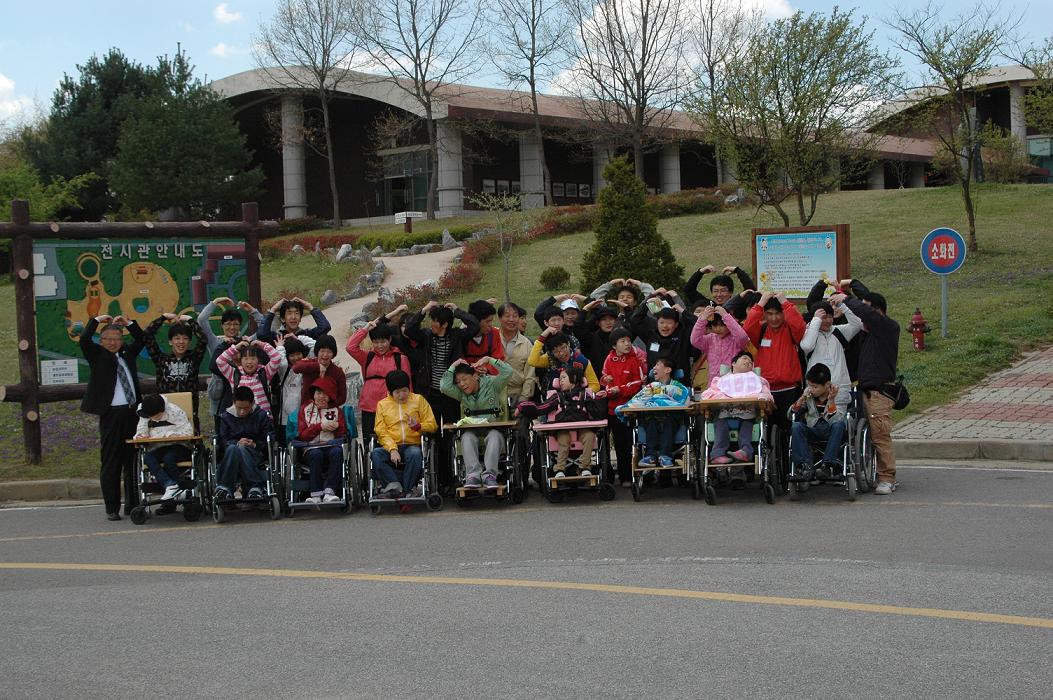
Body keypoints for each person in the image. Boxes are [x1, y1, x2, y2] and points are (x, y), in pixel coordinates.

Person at [403, 301, 480, 488]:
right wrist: (424, 309)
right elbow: (409, 329)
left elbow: (475, 325)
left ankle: (451, 478)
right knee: (433, 435)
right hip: (430, 393)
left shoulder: (457, 336)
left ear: (445, 324)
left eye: (435, 321)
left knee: (452, 434)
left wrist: (457, 310)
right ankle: (436, 479)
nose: (432, 324)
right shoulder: (427, 336)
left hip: (451, 393)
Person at [79, 314, 145, 521]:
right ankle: (112, 507)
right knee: (111, 461)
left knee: (132, 460)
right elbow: (84, 340)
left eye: (117, 338)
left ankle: (133, 504)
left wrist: (130, 324)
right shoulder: (97, 354)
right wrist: (96, 321)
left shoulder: (127, 354)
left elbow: (142, 340)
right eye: (109, 339)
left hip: (132, 412)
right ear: (102, 341)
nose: (114, 342)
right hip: (110, 414)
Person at [840, 290, 901, 495]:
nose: (862, 315)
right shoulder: (866, 335)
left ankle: (887, 478)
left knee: (880, 435)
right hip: (864, 391)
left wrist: (847, 298)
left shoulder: (888, 328)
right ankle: (874, 474)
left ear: (878, 312)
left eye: (866, 310)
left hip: (880, 392)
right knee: (867, 435)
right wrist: (843, 290)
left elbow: (865, 311)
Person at [700, 351, 774, 488]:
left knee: (747, 427)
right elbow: (708, 395)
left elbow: (766, 395)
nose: (748, 362)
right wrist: (722, 398)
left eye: (751, 362)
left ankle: (745, 452)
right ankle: (717, 455)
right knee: (720, 425)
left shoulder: (757, 380)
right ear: (733, 363)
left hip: (746, 416)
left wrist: (762, 398)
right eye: (744, 358)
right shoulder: (720, 381)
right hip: (725, 416)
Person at [440, 357, 513, 488]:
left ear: (475, 376)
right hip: (472, 430)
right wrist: (453, 365)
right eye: (458, 382)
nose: (461, 384)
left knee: (494, 436)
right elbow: (444, 387)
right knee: (466, 437)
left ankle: (490, 475)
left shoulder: (492, 384)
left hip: (493, 429)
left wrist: (489, 360)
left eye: (464, 379)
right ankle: (473, 475)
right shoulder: (461, 393)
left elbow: (508, 372)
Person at [518, 365, 601, 479]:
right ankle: (559, 469)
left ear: (574, 378)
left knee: (590, 435)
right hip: (562, 430)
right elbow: (541, 408)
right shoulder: (557, 396)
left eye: (563, 378)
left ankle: (585, 467)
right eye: (560, 379)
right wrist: (522, 406)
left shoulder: (585, 394)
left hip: (582, 428)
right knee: (564, 439)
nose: (560, 381)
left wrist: (597, 400)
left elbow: (596, 413)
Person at [198, 298, 266, 434]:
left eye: (235, 324)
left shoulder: (246, 342)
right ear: (222, 326)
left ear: (240, 325)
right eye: (228, 324)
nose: (232, 327)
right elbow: (201, 320)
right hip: (220, 395)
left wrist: (252, 311)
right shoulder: (216, 342)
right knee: (222, 433)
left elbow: (265, 328)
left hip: (245, 394)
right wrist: (216, 302)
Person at [743, 291, 806, 431]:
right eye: (769, 313)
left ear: (784, 313)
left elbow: (800, 325)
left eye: (778, 313)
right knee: (766, 431)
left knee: (788, 430)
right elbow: (747, 327)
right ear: (764, 314)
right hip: (765, 391)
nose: (774, 318)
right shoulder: (762, 330)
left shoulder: (791, 330)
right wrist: (760, 304)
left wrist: (785, 303)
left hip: (790, 390)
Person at [371, 370, 438, 498]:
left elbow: (432, 425)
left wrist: (418, 426)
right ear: (390, 392)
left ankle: (407, 490)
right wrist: (392, 449)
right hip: (391, 445)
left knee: (415, 454)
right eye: (397, 392)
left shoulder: (418, 400)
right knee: (375, 454)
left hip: (412, 444)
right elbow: (381, 430)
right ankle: (394, 485)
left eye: (405, 390)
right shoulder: (382, 405)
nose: (402, 395)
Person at [136, 313, 208, 430]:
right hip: (165, 413)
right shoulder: (161, 359)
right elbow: (147, 336)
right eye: (177, 338)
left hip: (189, 411)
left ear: (189, 341)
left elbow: (203, 339)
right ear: (170, 341)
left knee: (192, 444)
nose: (181, 342)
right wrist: (163, 318)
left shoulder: (194, 358)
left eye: (185, 339)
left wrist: (190, 320)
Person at [617, 357, 690, 469]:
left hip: (670, 419)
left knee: (669, 421)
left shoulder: (679, 387)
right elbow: (639, 400)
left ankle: (665, 456)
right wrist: (627, 408)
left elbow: (684, 401)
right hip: (652, 418)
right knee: (650, 420)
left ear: (667, 370)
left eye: (657, 365)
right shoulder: (651, 387)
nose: (653, 368)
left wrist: (661, 397)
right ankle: (650, 456)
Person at [346, 319, 409, 439]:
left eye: (383, 341)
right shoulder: (366, 357)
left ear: (389, 339)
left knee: (393, 441)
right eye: (375, 342)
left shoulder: (400, 359)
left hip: (393, 408)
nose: (379, 346)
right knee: (369, 443)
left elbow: (408, 385)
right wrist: (365, 329)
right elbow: (350, 347)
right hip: (369, 408)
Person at [601, 328, 648, 486]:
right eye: (623, 341)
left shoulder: (634, 360)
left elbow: (638, 383)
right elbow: (605, 379)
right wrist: (609, 388)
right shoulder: (608, 359)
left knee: (634, 442)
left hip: (631, 408)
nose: (627, 344)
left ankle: (640, 475)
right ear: (614, 345)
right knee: (620, 444)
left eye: (628, 341)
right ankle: (625, 477)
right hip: (614, 409)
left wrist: (620, 389)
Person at [788, 363, 846, 483]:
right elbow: (790, 415)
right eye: (810, 386)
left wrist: (831, 400)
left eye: (815, 387)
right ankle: (804, 466)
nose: (811, 389)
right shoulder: (808, 395)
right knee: (796, 426)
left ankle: (827, 466)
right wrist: (802, 398)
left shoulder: (839, 395)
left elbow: (837, 420)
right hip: (813, 429)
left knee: (839, 425)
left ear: (827, 385)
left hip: (831, 430)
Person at [800, 297, 862, 411]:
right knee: (815, 423)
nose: (828, 321)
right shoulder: (810, 333)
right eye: (824, 317)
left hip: (839, 388)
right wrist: (816, 320)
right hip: (815, 390)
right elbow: (807, 346)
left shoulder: (839, 332)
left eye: (830, 316)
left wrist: (842, 306)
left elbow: (857, 324)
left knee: (838, 423)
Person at [133, 393, 194, 507]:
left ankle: (176, 489)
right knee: (148, 458)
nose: (155, 419)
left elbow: (188, 431)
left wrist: (172, 434)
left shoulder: (175, 411)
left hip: (178, 445)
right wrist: (141, 436)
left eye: (157, 416)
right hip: (157, 446)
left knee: (168, 458)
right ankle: (171, 485)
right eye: (152, 417)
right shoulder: (145, 413)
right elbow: (141, 430)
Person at [213, 386, 272, 501]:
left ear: (252, 404)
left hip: (255, 453)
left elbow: (267, 440)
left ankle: (226, 486)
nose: (242, 411)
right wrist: (236, 443)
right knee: (235, 448)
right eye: (239, 408)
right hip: (231, 453)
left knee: (241, 448)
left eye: (246, 408)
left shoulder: (261, 415)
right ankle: (253, 486)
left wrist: (254, 444)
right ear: (234, 403)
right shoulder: (226, 416)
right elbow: (223, 440)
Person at [295, 376, 347, 504]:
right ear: (313, 394)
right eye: (318, 393)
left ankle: (330, 491)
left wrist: (336, 428)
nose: (321, 397)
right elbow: (302, 436)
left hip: (331, 445)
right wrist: (319, 427)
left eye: (325, 394)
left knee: (337, 452)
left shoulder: (336, 411)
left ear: (331, 396)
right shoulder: (305, 410)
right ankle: (315, 494)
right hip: (311, 447)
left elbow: (342, 435)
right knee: (316, 454)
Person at [629, 292, 699, 377]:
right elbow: (634, 320)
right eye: (661, 322)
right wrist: (648, 301)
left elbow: (700, 325)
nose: (665, 326)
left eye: (669, 323)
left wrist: (683, 311)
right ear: (657, 322)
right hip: (654, 386)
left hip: (680, 386)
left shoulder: (683, 335)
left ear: (676, 324)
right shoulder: (651, 335)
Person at [215, 337, 283, 417]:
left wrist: (262, 345)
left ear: (258, 360)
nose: (249, 362)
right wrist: (236, 347)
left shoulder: (264, 372)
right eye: (246, 359)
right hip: (242, 420)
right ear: (241, 361)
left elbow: (277, 358)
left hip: (263, 420)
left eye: (253, 358)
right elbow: (219, 361)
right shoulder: (234, 374)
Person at [690, 303, 750, 388]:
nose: (718, 328)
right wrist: (702, 319)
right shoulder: (710, 339)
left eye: (722, 325)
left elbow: (743, 337)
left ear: (728, 324)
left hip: (734, 384)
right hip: (714, 385)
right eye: (715, 325)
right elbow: (694, 340)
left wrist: (726, 316)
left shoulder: (735, 339)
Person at [528, 329, 601, 391]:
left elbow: (595, 385)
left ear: (568, 344)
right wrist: (542, 337)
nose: (561, 354)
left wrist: (581, 394)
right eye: (556, 351)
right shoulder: (549, 358)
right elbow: (532, 361)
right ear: (551, 352)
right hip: (555, 400)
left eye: (563, 348)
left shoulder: (582, 361)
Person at [497, 302, 536, 405]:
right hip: (493, 394)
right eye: (507, 316)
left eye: (515, 316)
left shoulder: (527, 344)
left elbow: (530, 375)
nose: (511, 319)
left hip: (517, 396)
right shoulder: (492, 338)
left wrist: (524, 397)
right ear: (500, 318)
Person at [682, 264, 755, 319]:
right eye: (715, 291)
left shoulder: (739, 305)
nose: (719, 295)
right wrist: (700, 272)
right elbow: (688, 290)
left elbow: (751, 291)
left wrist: (738, 271)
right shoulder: (708, 305)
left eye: (723, 291)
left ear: (731, 292)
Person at [293, 334, 347, 407]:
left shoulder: (338, 372)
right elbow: (296, 368)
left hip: (328, 413)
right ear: (317, 352)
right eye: (322, 351)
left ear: (333, 354)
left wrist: (328, 405)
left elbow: (342, 398)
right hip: (307, 411)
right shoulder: (310, 363)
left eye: (329, 352)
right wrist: (317, 366)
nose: (325, 355)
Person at [273, 335, 308, 446]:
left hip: (306, 417)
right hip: (286, 419)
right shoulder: (284, 371)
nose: (296, 358)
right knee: (287, 447)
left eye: (298, 354)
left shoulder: (309, 368)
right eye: (292, 355)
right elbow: (281, 361)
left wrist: (299, 337)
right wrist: (280, 347)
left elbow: (315, 346)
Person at [256, 296, 332, 344]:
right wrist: (273, 310)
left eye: (296, 313)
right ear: (283, 318)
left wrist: (310, 307)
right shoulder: (277, 337)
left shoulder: (307, 335)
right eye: (289, 313)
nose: (293, 317)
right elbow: (261, 334)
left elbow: (325, 327)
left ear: (300, 318)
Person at [463, 299, 507, 373]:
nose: (490, 325)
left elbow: (499, 360)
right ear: (475, 321)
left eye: (491, 321)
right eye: (487, 321)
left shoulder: (494, 334)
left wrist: (487, 369)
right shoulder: (462, 336)